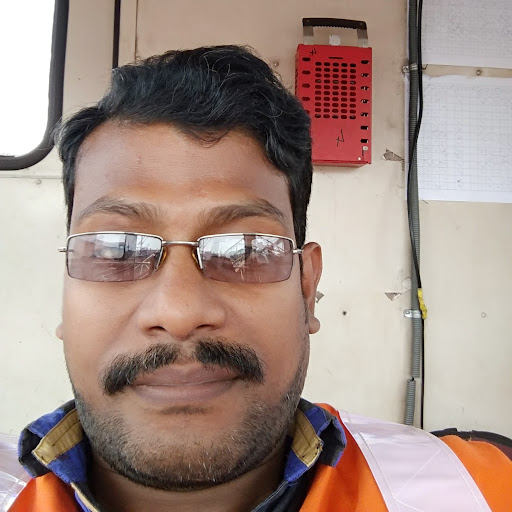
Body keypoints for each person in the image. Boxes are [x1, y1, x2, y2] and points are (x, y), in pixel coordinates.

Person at [3, 46, 511, 512]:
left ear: (307, 290)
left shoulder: (479, 491)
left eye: (246, 250)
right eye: (117, 250)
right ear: (65, 291)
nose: (179, 313)